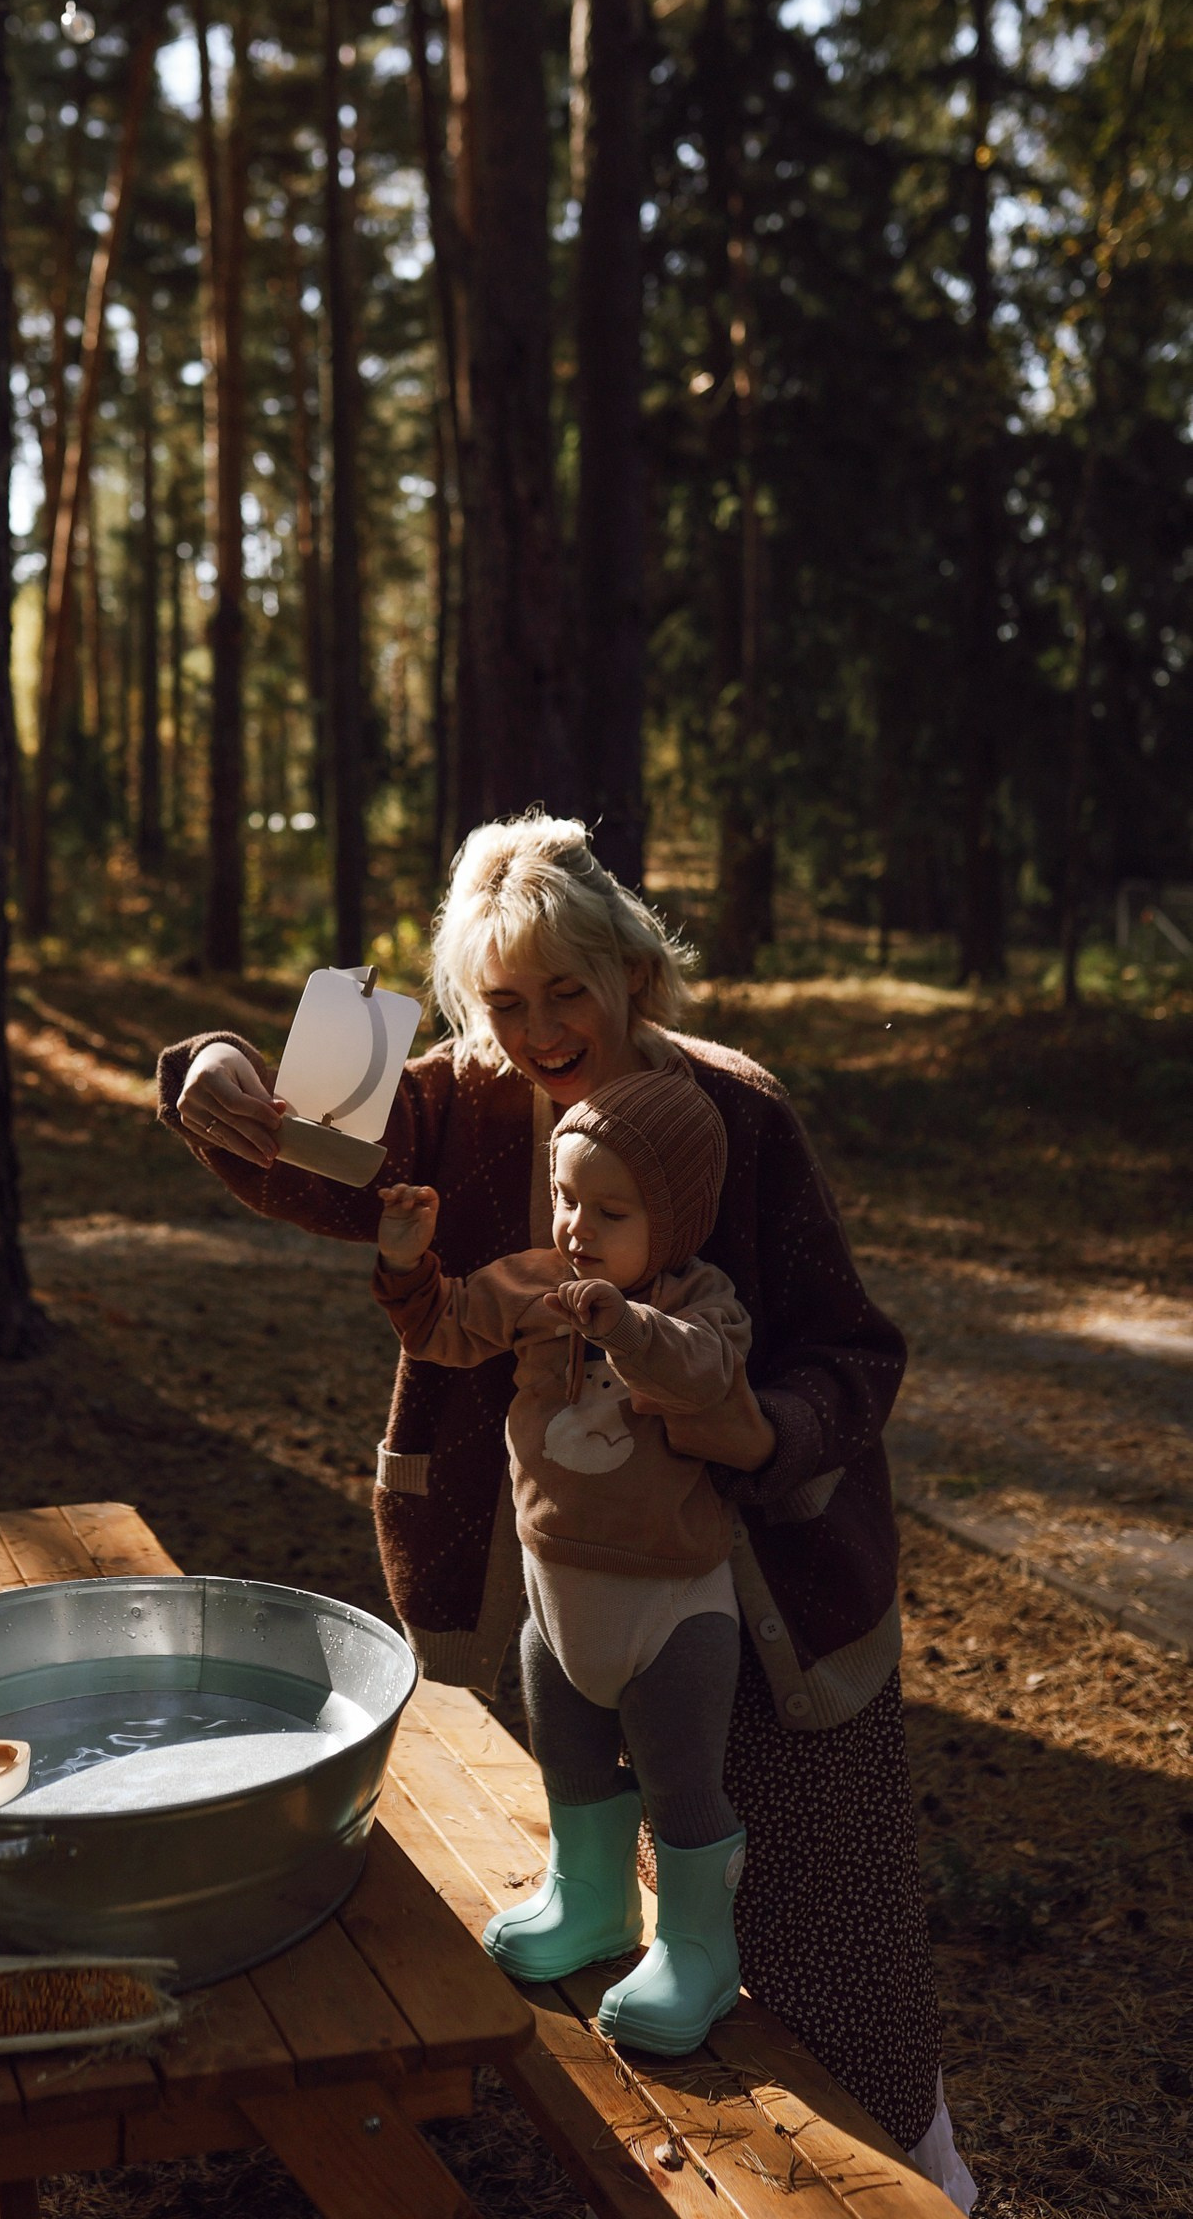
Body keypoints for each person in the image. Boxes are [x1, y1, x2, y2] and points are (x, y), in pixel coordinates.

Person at [158, 812, 975, 2211]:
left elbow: (851, 1352)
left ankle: (933, 2184)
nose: (536, 1030)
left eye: (566, 992)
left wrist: (757, 1426)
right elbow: (277, 1139)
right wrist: (209, 1070)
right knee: (619, 1920)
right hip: (560, 1594)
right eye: (502, 1000)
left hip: (773, 1598)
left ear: (630, 972)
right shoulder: (447, 1103)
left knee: (828, 1944)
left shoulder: (737, 1110)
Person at [375, 1058, 758, 2052]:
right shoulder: (538, 1282)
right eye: (564, 1195)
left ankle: (698, 1949)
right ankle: (590, 1900)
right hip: (556, 1591)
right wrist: (408, 1262)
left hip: (670, 1607)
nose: (577, 1225)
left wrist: (625, 1326)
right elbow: (445, 1328)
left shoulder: (701, 1303)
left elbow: (708, 1373)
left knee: (680, 1779)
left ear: (672, 1221)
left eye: (610, 1210)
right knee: (572, 1758)